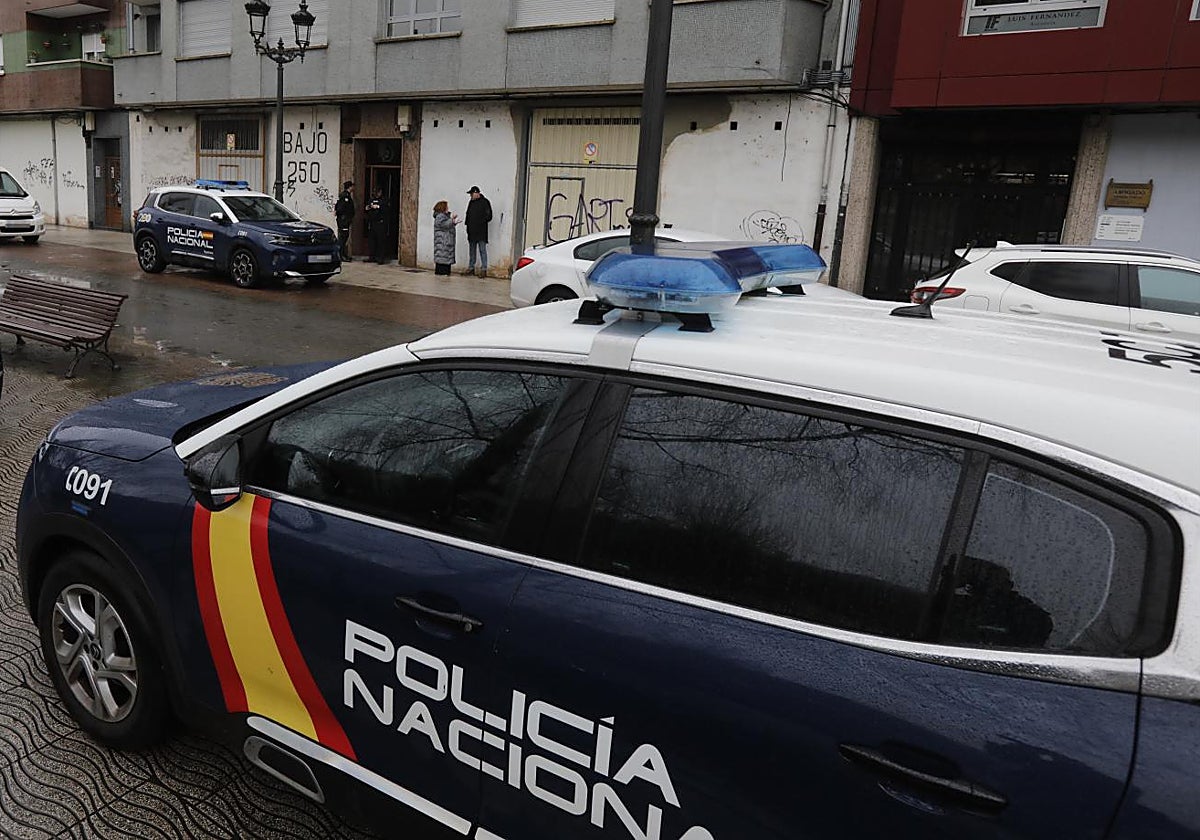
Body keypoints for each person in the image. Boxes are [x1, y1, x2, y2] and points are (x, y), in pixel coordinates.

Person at [464, 185, 492, 277]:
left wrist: (480, 222)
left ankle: (484, 269)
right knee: (472, 251)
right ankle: (471, 268)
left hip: (481, 232)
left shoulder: (485, 202)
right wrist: (467, 226)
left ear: (476, 193)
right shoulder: (471, 203)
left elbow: (489, 216)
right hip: (472, 231)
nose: (470, 196)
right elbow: (468, 215)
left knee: (482, 250)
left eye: (471, 194)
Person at [432, 200, 458, 276]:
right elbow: (443, 225)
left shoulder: (444, 216)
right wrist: (452, 220)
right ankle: (442, 272)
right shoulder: (440, 216)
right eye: (446, 207)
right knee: (443, 257)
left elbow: (447, 225)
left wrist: (453, 222)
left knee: (445, 257)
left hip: (446, 240)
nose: (448, 208)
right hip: (443, 241)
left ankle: (445, 272)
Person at [364, 188, 388, 264]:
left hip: (380, 223)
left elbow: (386, 209)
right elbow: (367, 208)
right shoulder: (371, 200)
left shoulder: (384, 200)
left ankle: (380, 258)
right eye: (375, 192)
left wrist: (377, 207)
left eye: (378, 192)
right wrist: (368, 208)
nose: (377, 194)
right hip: (372, 223)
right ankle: (372, 257)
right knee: (372, 241)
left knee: (381, 241)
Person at [334, 180, 355, 261]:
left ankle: (343, 254)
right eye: (352, 186)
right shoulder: (345, 196)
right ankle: (341, 255)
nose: (353, 188)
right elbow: (341, 208)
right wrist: (342, 216)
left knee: (344, 237)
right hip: (343, 220)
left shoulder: (347, 195)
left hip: (345, 220)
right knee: (343, 238)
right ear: (349, 187)